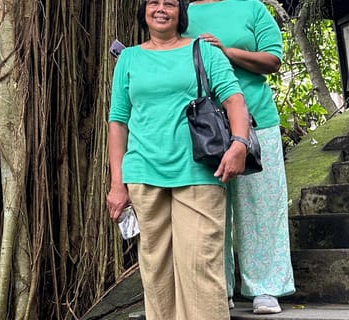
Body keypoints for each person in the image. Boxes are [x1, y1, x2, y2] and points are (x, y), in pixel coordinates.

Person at [106, 0, 252, 319]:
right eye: (153, 2)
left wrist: (239, 143)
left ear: (180, 13)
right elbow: (118, 121)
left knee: (200, 265)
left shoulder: (204, 51)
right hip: (143, 172)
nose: (161, 9)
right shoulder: (128, 58)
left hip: (198, 170)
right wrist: (117, 184)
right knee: (156, 269)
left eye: (169, 3)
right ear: (144, 11)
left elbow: (234, 99)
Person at [183, 0, 295, 315]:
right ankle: (217, 288)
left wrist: (226, 52)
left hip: (256, 120)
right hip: (202, 126)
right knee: (208, 208)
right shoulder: (182, 12)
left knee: (261, 204)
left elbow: (273, 60)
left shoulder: (252, 8)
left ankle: (265, 287)